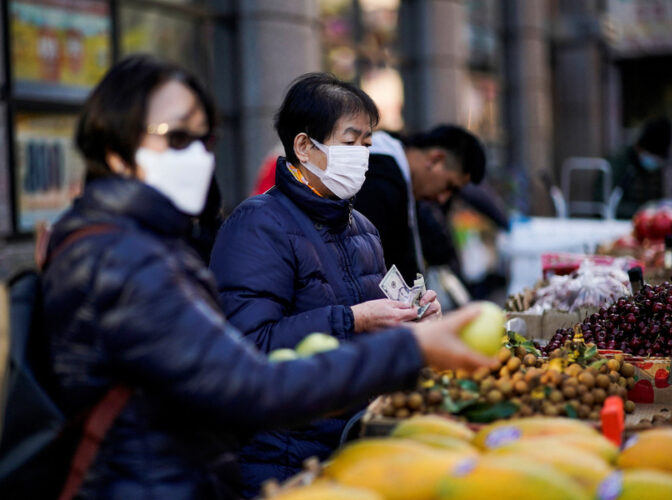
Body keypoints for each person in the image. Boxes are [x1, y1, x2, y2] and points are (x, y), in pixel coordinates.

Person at [41, 55, 494, 499]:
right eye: (176, 137)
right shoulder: (128, 256)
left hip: (287, 452)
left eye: (204, 138)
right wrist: (401, 344)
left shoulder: (155, 244)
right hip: (202, 473)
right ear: (114, 149)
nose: (197, 155)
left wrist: (407, 318)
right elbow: (250, 378)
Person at [209, 73, 443, 494]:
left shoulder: (363, 227)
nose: (362, 155)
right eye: (350, 142)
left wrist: (414, 320)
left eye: (368, 144)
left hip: (350, 441)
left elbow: (374, 332)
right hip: (282, 455)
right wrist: (350, 320)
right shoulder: (258, 225)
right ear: (304, 147)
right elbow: (246, 345)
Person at [354, 126, 486, 283]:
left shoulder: (398, 182)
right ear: (435, 159)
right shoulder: (380, 185)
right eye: (449, 186)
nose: (443, 199)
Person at [608, 116, 672, 219]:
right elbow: (605, 203)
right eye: (652, 154)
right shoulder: (621, 164)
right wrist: (640, 210)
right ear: (640, 148)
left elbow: (658, 198)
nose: (654, 161)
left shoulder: (655, 169)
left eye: (658, 157)